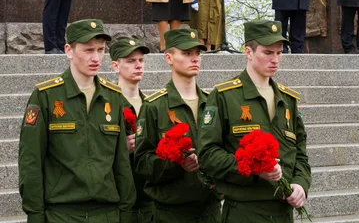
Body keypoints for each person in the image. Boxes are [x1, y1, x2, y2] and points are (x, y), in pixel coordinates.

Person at [18, 18, 135, 223]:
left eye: (100, 50)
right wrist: (36, 215)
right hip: (62, 214)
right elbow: (31, 162)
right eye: (88, 50)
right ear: (69, 50)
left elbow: (121, 163)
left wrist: (125, 212)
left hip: (106, 214)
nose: (96, 58)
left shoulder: (114, 97)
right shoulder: (46, 96)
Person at [198, 19, 311, 223]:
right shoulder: (225, 96)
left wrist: (300, 184)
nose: (275, 59)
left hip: (283, 212)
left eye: (279, 53)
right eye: (268, 52)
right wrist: (253, 169)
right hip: (244, 211)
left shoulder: (288, 100)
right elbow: (207, 154)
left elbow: (300, 153)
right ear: (248, 52)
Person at [134, 28, 222, 222]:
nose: (195, 59)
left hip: (211, 209)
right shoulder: (154, 106)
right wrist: (176, 164)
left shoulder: (213, 103)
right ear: (169, 58)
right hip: (172, 212)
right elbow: (142, 162)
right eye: (186, 53)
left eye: (197, 53)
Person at [110, 37, 153, 222]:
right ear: (115, 66)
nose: (138, 65)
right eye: (130, 61)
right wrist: (121, 148)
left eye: (141, 60)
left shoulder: (152, 105)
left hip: (150, 199)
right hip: (118, 200)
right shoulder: (107, 105)